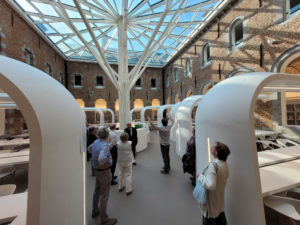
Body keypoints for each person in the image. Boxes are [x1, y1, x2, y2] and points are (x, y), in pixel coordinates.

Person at [197, 141, 230, 225]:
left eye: (213, 147)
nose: (211, 147)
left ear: (217, 152)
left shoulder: (213, 165)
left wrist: (201, 176)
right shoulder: (225, 164)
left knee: (208, 219)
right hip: (219, 198)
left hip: (210, 201)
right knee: (221, 218)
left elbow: (211, 185)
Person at [90, 126, 117, 225]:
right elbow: (101, 159)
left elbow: (89, 149)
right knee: (104, 195)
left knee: (97, 191)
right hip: (104, 172)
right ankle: (104, 219)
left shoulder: (96, 142)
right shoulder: (105, 146)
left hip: (97, 171)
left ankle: (95, 210)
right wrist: (103, 165)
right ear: (107, 135)